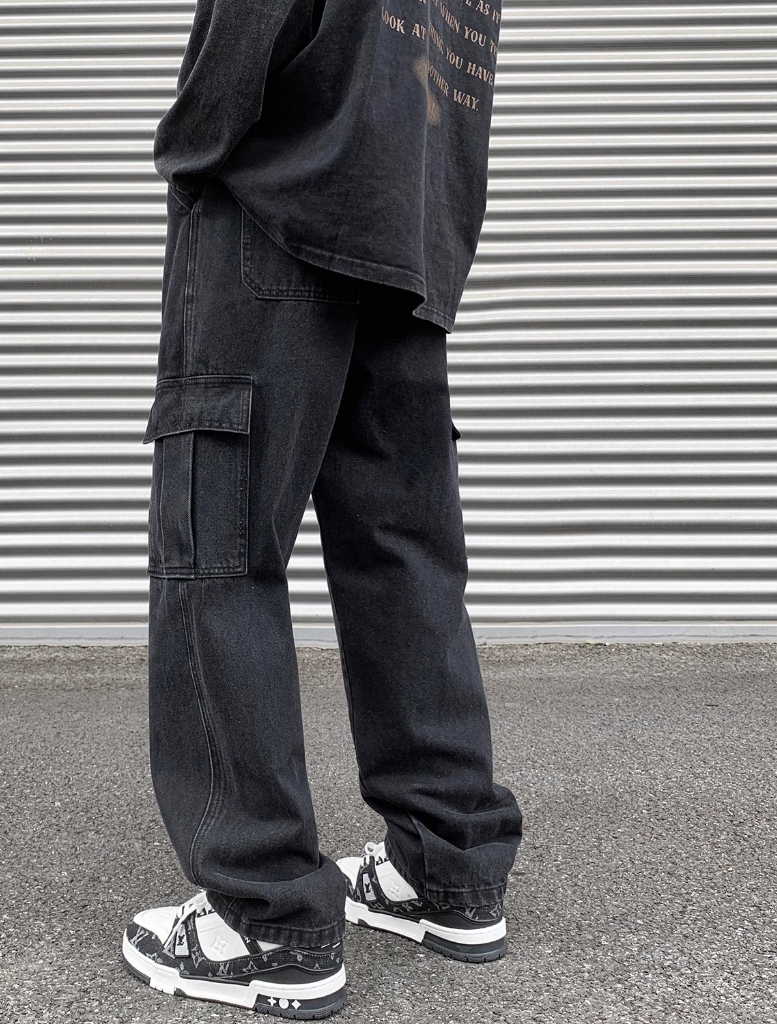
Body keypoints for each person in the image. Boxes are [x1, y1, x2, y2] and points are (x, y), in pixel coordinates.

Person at [121, 0, 523, 1016]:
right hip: (408, 234)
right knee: (404, 553)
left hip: (280, 212)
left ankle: (267, 918)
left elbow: (246, 28)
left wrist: (192, 153)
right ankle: (446, 866)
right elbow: (458, 78)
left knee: (220, 548)